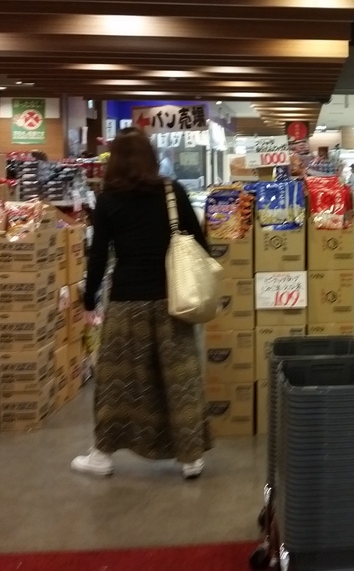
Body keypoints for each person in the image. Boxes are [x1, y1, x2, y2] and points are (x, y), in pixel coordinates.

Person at [75, 127, 210, 480]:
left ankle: (102, 455)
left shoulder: (108, 200)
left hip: (126, 302)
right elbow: (200, 244)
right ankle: (191, 458)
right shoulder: (172, 191)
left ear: (115, 162)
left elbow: (98, 257)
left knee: (117, 381)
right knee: (179, 379)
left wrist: (89, 298)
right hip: (172, 300)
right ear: (151, 157)